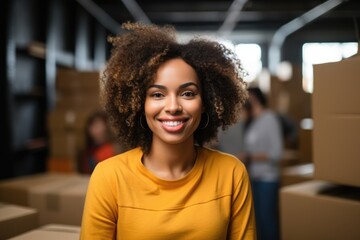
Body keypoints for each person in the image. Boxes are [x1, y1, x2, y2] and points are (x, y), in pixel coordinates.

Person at [80, 22, 256, 239]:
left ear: (206, 102)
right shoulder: (109, 177)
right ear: (138, 105)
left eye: (188, 93)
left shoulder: (231, 173)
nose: (173, 107)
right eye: (157, 94)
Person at [239, 87, 283, 240]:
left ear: (255, 99)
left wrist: (250, 157)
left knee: (267, 220)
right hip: (254, 177)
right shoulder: (252, 121)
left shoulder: (269, 119)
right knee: (256, 221)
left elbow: (276, 153)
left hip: (268, 178)